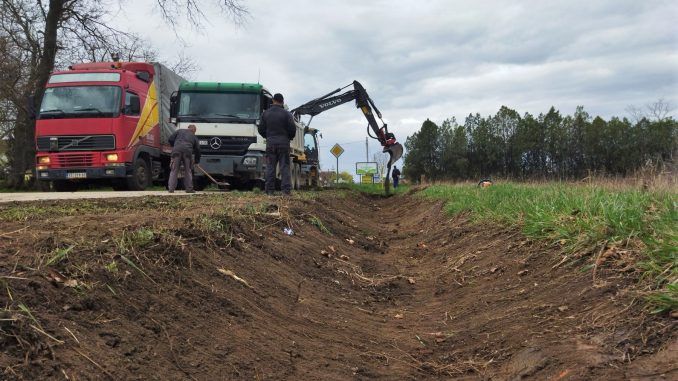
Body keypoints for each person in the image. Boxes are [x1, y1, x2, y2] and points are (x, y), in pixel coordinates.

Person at [258, 93, 296, 195]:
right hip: (284, 144)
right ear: (282, 102)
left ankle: (269, 191)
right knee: (284, 167)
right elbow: (292, 130)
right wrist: (288, 137)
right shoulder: (287, 114)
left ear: (273, 100)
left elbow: (260, 129)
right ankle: (286, 191)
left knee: (270, 167)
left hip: (270, 144)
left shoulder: (265, 114)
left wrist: (268, 137)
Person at [168, 124, 201, 193]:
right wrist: (197, 161)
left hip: (176, 151)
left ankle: (171, 188)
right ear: (194, 131)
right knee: (187, 170)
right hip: (187, 153)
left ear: (188, 128)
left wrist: (174, 146)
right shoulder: (194, 136)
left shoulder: (179, 131)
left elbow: (170, 139)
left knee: (174, 170)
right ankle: (189, 189)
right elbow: (198, 149)